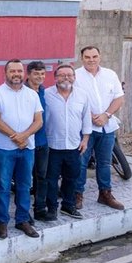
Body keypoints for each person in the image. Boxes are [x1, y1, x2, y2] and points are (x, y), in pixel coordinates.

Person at [0, 59, 43, 239]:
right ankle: (2, 221)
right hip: (4, 149)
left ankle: (22, 220)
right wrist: (17, 136)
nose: (17, 74)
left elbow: (39, 121)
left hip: (27, 148)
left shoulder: (32, 94)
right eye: (13, 71)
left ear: (23, 73)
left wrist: (24, 136)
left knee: (25, 186)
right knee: (3, 186)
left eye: (19, 71)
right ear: (6, 73)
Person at [74, 46, 125, 210]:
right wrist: (91, 117)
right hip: (85, 129)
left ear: (100, 57)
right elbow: (74, 99)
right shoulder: (76, 75)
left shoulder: (110, 74)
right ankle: (77, 195)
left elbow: (119, 97)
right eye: (87, 57)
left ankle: (105, 194)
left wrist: (106, 115)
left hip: (107, 127)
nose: (91, 60)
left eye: (94, 56)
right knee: (81, 163)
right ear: (82, 58)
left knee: (104, 163)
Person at [42, 64, 92, 221]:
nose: (66, 78)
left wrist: (85, 139)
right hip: (52, 146)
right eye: (62, 75)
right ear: (55, 78)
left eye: (69, 75)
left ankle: (68, 205)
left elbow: (86, 119)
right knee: (51, 179)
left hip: (74, 145)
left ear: (74, 77)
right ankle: (51, 208)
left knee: (72, 177)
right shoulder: (47, 94)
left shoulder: (82, 95)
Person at [25, 61, 49, 218]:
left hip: (42, 142)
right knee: (25, 179)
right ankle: (24, 212)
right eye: (36, 73)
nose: (40, 77)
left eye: (42, 74)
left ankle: (39, 209)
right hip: (26, 143)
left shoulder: (43, 90)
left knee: (42, 177)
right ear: (28, 74)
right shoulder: (21, 91)